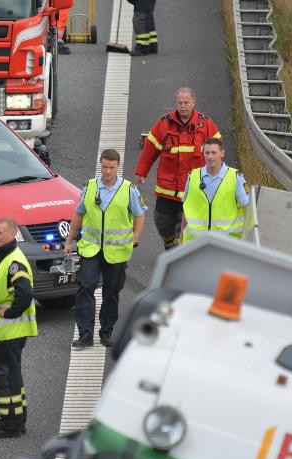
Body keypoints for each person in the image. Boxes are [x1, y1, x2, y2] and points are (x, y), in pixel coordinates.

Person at [65, 149, 146, 348]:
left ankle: (106, 331)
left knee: (111, 293)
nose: (107, 171)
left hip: (116, 251)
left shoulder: (129, 190)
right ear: (100, 165)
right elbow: (79, 214)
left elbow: (140, 215)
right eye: (104, 166)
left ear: (118, 167)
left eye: (111, 167)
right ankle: (85, 334)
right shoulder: (90, 187)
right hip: (91, 248)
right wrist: (69, 240)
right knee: (85, 287)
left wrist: (135, 238)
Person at [133, 87, 222, 250]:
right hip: (168, 188)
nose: (183, 106)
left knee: (188, 226)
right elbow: (150, 148)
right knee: (162, 222)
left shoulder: (205, 124)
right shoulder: (164, 123)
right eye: (180, 103)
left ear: (193, 103)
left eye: (186, 102)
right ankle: (170, 244)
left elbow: (217, 150)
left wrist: (217, 173)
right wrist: (141, 171)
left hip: (195, 189)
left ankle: (181, 253)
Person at [0, 218, 37, 439]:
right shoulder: (4, 258)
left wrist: (11, 312)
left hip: (9, 332)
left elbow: (25, 293)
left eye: (0, 233)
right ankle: (16, 420)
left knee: (5, 377)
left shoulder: (14, 261)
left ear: (13, 235)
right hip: (6, 333)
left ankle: (10, 424)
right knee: (12, 377)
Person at [181, 138, 249, 243]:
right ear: (203, 154)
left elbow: (247, 210)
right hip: (195, 244)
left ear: (222, 153)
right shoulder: (193, 176)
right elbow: (187, 209)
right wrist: (181, 239)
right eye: (207, 153)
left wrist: (249, 242)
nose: (210, 157)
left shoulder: (235, 177)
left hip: (226, 244)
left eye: (214, 153)